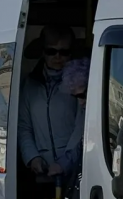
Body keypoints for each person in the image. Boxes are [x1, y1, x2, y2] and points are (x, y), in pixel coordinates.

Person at [19, 25, 82, 181]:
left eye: (64, 52)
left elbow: (82, 130)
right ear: (43, 52)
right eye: (51, 51)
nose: (57, 57)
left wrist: (65, 163)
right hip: (41, 174)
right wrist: (33, 157)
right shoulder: (30, 85)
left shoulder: (80, 84)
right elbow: (24, 126)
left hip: (75, 173)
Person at [50, 57, 88, 178]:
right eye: (76, 97)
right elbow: (80, 145)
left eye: (83, 95)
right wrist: (62, 164)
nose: (81, 102)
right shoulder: (84, 111)